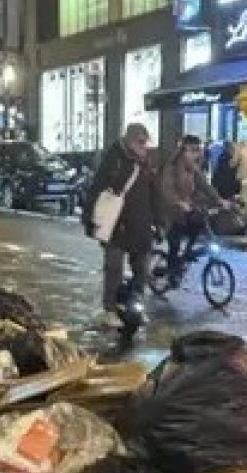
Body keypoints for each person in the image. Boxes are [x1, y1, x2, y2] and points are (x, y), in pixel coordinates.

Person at [83, 122, 161, 327]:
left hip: (142, 225)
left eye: (146, 143)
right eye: (141, 143)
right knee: (114, 268)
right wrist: (90, 220)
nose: (145, 147)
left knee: (142, 269)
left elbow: (154, 194)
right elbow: (97, 189)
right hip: (117, 225)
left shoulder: (146, 163)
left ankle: (135, 305)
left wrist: (159, 223)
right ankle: (109, 309)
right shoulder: (114, 159)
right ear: (130, 141)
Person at [160, 134, 225, 286]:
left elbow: (205, 186)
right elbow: (166, 189)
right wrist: (178, 202)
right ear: (183, 151)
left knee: (199, 226)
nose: (197, 154)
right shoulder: (171, 168)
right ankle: (172, 272)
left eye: (198, 150)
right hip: (170, 213)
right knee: (175, 242)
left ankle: (187, 255)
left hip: (187, 211)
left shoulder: (193, 169)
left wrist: (220, 200)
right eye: (193, 150)